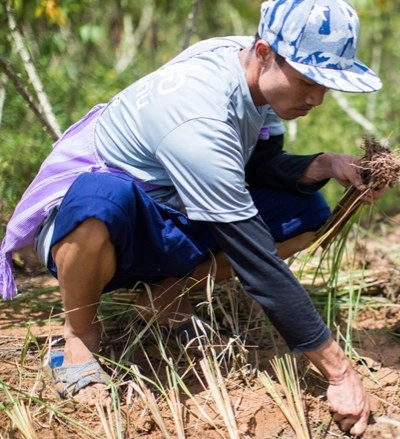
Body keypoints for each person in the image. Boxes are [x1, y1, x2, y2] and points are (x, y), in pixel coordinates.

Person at [0, 0, 380, 434]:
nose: (316, 98)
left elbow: (255, 164)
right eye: (308, 81)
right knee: (99, 199)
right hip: (99, 224)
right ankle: (79, 336)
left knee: (306, 211)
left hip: (172, 206)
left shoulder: (251, 72)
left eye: (326, 85)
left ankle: (164, 295)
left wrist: (324, 164)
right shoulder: (199, 114)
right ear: (263, 52)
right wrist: (339, 372)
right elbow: (255, 259)